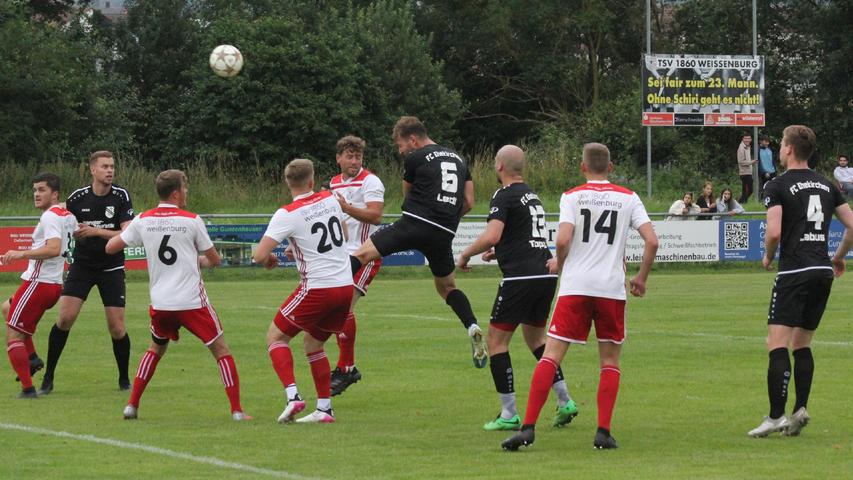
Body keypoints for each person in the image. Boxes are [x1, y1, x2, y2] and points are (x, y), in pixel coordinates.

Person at [502, 143, 659, 451]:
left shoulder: (572, 196)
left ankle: (528, 428)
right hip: (611, 289)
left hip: (576, 286)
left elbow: (563, 237)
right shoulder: (629, 197)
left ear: (582, 167)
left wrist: (560, 262)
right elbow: (652, 241)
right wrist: (640, 278)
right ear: (610, 168)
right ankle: (603, 432)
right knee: (610, 361)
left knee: (551, 355)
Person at [106, 170, 250, 421]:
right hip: (191, 301)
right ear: (175, 193)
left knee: (155, 349)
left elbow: (111, 247)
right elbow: (214, 260)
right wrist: (198, 259)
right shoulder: (192, 220)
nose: (187, 193)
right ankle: (237, 411)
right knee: (221, 351)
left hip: (161, 303)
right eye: (185, 188)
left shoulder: (143, 219)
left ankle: (132, 405)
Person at [456, 145, 578, 431]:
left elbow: (492, 234)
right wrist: (501, 252)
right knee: (537, 341)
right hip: (545, 275)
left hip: (520, 278)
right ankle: (564, 401)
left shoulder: (504, 194)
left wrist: (465, 254)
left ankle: (508, 413)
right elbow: (525, 235)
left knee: (497, 342)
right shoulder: (531, 195)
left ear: (499, 166)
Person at [350, 116, 487, 368]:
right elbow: (468, 202)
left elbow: (408, 193)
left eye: (401, 146)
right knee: (447, 287)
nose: (402, 151)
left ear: (413, 140)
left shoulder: (416, 158)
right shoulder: (460, 160)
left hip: (413, 223)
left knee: (361, 254)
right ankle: (472, 325)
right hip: (444, 231)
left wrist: (421, 215)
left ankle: (323, 295)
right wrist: (446, 218)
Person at [748, 125, 853, 437]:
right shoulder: (827, 184)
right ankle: (800, 409)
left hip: (794, 271)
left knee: (776, 343)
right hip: (822, 272)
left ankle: (775, 416)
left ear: (789, 149)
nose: (780, 148)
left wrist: (768, 256)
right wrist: (838, 256)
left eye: (781, 143)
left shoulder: (777, 185)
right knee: (802, 343)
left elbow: (775, 232)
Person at [254, 159, 353, 424]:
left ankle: (293, 396)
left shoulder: (287, 213)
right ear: (311, 181)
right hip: (344, 286)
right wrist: (298, 246)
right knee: (313, 343)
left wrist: (269, 260)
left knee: (275, 337)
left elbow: (259, 254)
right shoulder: (330, 198)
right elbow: (342, 233)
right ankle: (324, 409)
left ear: (288, 183)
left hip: (318, 288)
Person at [40, 151, 134, 394]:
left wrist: (96, 232)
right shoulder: (77, 197)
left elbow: (127, 235)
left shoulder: (121, 196)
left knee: (117, 327)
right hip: (82, 265)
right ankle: (48, 378)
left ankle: (124, 381)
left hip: (111, 266)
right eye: (104, 166)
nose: (110, 171)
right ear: (93, 169)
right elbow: (59, 215)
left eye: (112, 166)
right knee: (65, 319)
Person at [3, 173, 77, 398]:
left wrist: (20, 253)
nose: (36, 194)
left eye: (42, 190)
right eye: (35, 189)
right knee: (7, 308)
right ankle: (33, 359)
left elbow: (53, 248)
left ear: (54, 194)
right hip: (52, 284)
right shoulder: (67, 216)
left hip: (39, 282)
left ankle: (27, 388)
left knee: (13, 336)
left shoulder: (50, 218)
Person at [328, 135, 385, 396]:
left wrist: (347, 207)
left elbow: (375, 216)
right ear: (338, 157)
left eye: (358, 156)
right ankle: (345, 367)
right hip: (341, 256)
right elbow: (338, 221)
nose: (354, 161)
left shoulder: (370, 181)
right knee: (334, 310)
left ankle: (347, 368)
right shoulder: (334, 182)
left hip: (366, 253)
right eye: (349, 156)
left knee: (344, 305)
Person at [737, 134, 756, 204]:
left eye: (749, 138)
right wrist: (751, 162)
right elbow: (741, 162)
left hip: (748, 172)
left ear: (751, 139)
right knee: (748, 190)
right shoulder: (741, 148)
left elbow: (746, 160)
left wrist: (751, 162)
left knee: (748, 190)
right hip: (744, 173)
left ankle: (741, 202)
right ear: (743, 139)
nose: (747, 140)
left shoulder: (747, 147)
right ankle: (741, 202)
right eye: (746, 138)